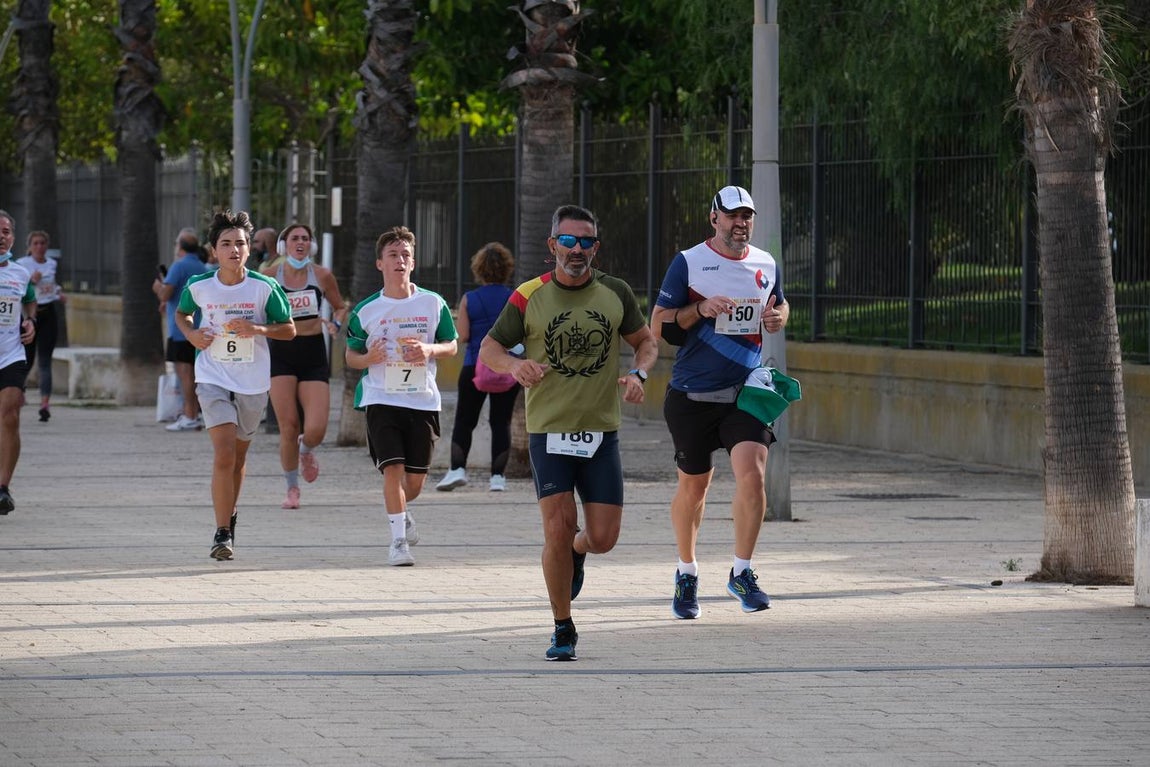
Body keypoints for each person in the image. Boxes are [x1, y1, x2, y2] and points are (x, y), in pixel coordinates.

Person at [480, 204, 658, 662]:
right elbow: (489, 347)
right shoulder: (528, 295)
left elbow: (646, 341)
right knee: (557, 528)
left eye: (586, 242)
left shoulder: (615, 292)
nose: (576, 250)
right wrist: (516, 365)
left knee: (602, 538)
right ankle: (562, 625)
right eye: (568, 241)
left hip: (601, 432)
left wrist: (639, 375)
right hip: (549, 431)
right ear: (552, 245)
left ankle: (581, 551)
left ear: (595, 248)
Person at [650, 185, 789, 620]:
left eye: (746, 216)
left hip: (745, 393)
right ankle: (686, 572)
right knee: (695, 486)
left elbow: (781, 308)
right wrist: (700, 309)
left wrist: (778, 317)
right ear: (714, 219)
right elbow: (659, 327)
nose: (740, 223)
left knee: (753, 475)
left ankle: (742, 571)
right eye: (732, 216)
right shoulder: (689, 263)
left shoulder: (765, 262)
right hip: (693, 394)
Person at [175, 210, 296, 560]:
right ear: (214, 251)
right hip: (212, 377)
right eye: (226, 244)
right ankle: (221, 532)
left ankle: (230, 514)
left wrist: (257, 329)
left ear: (248, 249)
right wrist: (192, 334)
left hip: (252, 381)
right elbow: (181, 314)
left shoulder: (264, 287)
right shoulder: (200, 286)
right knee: (224, 451)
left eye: (240, 243)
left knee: (239, 455)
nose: (234, 250)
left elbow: (287, 329)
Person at [345, 226, 457, 567]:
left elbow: (451, 345)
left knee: (415, 482)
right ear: (380, 263)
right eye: (393, 255)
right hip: (381, 398)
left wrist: (428, 349)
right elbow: (350, 356)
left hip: (422, 400)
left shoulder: (432, 303)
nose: (400, 260)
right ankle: (397, 542)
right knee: (392, 470)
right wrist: (369, 359)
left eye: (405, 254)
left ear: (414, 262)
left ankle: (402, 511)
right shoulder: (366, 310)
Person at [262, 223, 348, 509]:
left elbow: (339, 306)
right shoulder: (270, 275)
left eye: (305, 239)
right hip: (281, 352)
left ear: (311, 245)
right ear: (284, 245)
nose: (300, 242)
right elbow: (256, 308)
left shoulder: (322, 275)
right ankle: (291, 488)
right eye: (294, 238)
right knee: (288, 425)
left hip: (312, 352)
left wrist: (336, 323)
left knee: (316, 428)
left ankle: (307, 449)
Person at [435, 242, 519, 493]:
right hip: (506, 366)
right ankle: (497, 478)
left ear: (478, 269)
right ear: (507, 269)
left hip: (474, 366)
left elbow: (463, 335)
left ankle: (457, 470)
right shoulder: (514, 297)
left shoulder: (469, 299)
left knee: (465, 420)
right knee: (501, 422)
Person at [0, 211, 39, 514]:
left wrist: (30, 321)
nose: (2, 236)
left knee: (10, 415)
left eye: (7, 231)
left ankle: (3, 488)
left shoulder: (20, 273)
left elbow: (29, 300)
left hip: (11, 354)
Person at [153, 228, 208, 431]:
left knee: (185, 374)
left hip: (180, 329)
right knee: (194, 375)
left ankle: (189, 415)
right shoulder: (201, 266)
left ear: (181, 246)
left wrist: (158, 286)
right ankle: (195, 412)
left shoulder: (179, 266)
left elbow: (165, 294)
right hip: (199, 325)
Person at [17, 231, 65, 423]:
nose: (39, 246)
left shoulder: (52, 264)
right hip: (30, 316)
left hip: (48, 313)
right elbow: (16, 288)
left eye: (43, 243)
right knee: (26, 360)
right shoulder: (22, 264)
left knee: (45, 361)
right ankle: (19, 393)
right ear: (29, 246)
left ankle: (45, 404)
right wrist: (31, 281)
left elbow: (52, 285)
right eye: (35, 243)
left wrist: (59, 293)